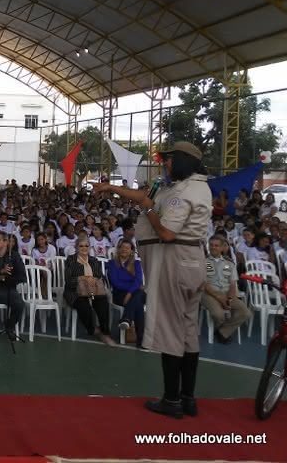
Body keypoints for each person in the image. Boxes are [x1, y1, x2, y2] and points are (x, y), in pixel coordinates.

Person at [94, 141, 211, 419]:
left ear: (182, 160)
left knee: (171, 330)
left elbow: (167, 232)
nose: (165, 163)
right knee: (187, 331)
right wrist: (112, 188)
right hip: (188, 260)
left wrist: (148, 209)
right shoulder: (186, 186)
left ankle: (171, 400)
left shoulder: (185, 191)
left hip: (175, 261)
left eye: (169, 159)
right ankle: (187, 398)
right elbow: (143, 195)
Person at [201, 235, 251, 344]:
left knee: (245, 313)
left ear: (222, 247)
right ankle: (224, 333)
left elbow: (232, 284)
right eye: (211, 245)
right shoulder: (203, 262)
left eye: (216, 245)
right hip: (209, 294)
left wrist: (229, 299)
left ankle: (223, 332)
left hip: (227, 293)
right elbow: (204, 284)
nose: (213, 247)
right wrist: (220, 298)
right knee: (218, 314)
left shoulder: (229, 263)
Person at [64, 238, 115, 346]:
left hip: (92, 291)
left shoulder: (93, 260)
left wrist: (93, 280)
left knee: (102, 301)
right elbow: (68, 279)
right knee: (83, 305)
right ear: (76, 247)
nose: (84, 248)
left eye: (86, 246)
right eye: (81, 246)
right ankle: (93, 330)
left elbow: (100, 276)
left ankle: (105, 332)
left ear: (90, 247)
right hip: (75, 291)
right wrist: (81, 279)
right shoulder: (71, 260)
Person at [106, 238, 146, 348]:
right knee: (138, 303)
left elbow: (138, 281)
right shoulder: (112, 264)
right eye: (122, 247)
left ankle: (126, 318)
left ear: (131, 251)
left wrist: (129, 293)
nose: (124, 249)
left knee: (138, 295)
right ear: (118, 249)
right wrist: (131, 290)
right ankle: (141, 340)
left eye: (127, 248)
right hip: (119, 295)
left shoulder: (136, 264)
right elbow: (115, 282)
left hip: (132, 294)